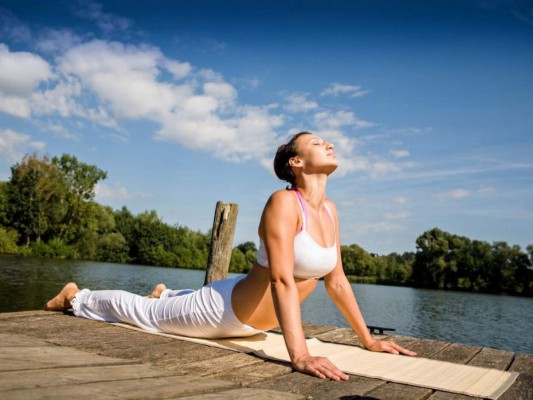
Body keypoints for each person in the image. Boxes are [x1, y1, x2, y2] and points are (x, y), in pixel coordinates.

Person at [45, 131, 415, 381]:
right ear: (296, 163)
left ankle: (167, 293)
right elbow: (282, 279)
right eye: (316, 142)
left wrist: (368, 339)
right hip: (223, 312)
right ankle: (76, 296)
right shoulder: (284, 203)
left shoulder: (331, 210)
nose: (329, 143)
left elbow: (336, 280)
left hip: (256, 324)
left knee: (163, 306)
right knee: (147, 316)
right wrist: (299, 357)